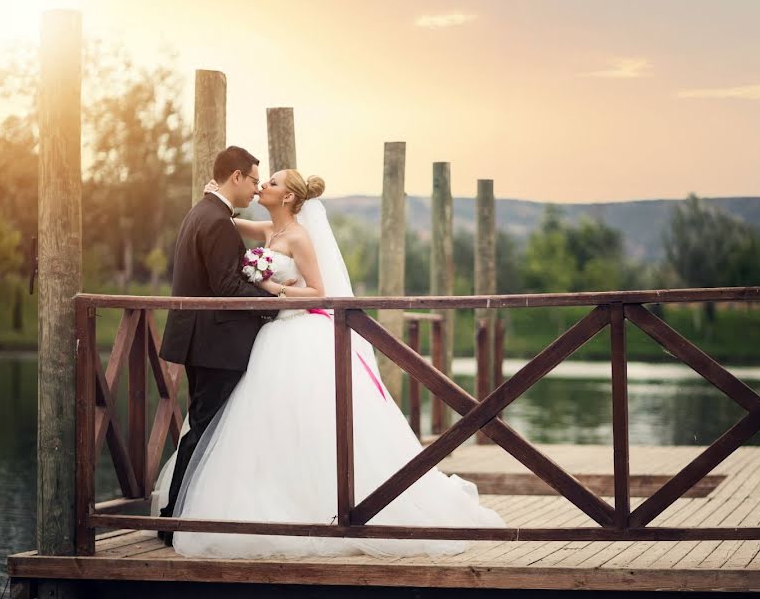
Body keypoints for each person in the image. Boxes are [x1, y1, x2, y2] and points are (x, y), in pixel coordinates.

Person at [152, 169, 505, 558]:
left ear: (287, 198)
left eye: (271, 183)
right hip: (270, 338)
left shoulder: (300, 237)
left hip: (297, 332)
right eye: (261, 180)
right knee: (266, 421)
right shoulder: (269, 229)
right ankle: (274, 496)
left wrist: (272, 288)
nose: (262, 186)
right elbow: (228, 221)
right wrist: (215, 194)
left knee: (311, 418)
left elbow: (318, 291)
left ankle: (328, 505)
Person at [157, 146, 278, 546]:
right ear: (236, 176)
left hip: (199, 339)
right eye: (254, 180)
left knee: (203, 426)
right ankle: (174, 517)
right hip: (216, 344)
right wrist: (274, 305)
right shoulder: (218, 223)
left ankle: (183, 511)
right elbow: (227, 286)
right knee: (205, 429)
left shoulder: (203, 213)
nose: (256, 190)